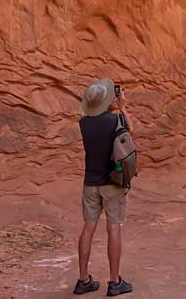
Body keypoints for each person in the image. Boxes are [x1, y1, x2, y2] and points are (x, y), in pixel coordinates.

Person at [73, 78, 134, 296]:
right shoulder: (115, 120)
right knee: (113, 227)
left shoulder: (84, 123)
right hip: (112, 182)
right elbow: (130, 131)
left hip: (90, 182)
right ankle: (114, 282)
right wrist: (122, 107)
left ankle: (83, 280)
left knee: (88, 227)